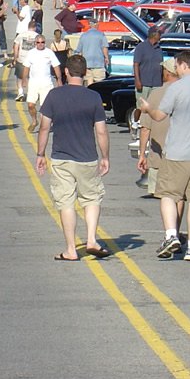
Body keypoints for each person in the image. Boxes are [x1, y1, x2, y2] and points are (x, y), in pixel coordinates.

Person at [138, 51, 190, 262]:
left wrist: (147, 108)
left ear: (182, 65)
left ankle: (171, 234)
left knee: (168, 195)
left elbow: (159, 115)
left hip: (177, 152)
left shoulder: (177, 88)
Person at [35, 54, 112, 261]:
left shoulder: (54, 95)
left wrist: (40, 154)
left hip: (62, 157)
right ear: (85, 72)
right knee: (92, 198)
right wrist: (105, 156)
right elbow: (101, 131)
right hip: (87, 157)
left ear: (66, 72)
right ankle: (91, 239)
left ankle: (70, 249)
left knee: (66, 202)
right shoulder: (93, 97)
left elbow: (44, 127)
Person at [137, 57, 180, 196]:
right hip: (182, 157)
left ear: (167, 72)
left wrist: (142, 154)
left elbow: (145, 128)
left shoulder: (156, 94)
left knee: (163, 199)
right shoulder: (188, 92)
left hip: (158, 158)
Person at [22, 33, 63, 133]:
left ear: (45, 43)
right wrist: (24, 79)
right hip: (33, 83)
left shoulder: (49, 53)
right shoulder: (31, 53)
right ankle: (34, 121)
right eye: (38, 42)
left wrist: (59, 79)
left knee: (44, 107)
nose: (40, 44)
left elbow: (56, 66)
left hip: (46, 83)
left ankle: (44, 125)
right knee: (31, 105)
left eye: (42, 42)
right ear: (35, 43)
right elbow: (26, 67)